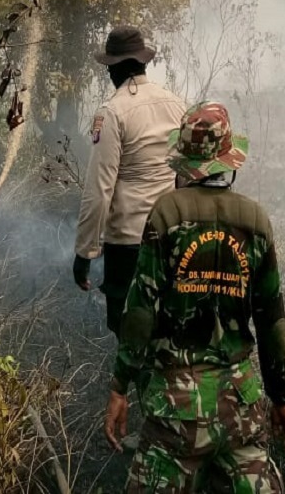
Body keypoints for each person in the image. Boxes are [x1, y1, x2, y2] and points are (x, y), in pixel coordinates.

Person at [104, 101, 285, 493]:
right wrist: (282, 397)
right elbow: (271, 320)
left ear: (184, 163)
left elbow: (141, 311)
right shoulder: (255, 220)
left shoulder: (165, 214)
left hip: (176, 413)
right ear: (229, 162)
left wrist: (120, 385)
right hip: (240, 409)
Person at [74, 25, 186, 336]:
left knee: (129, 336)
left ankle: (132, 385)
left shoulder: (112, 112)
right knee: (164, 331)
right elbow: (185, 176)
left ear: (115, 68)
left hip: (128, 246)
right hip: (169, 239)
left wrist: (85, 252)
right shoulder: (176, 104)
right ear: (142, 63)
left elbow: (99, 189)